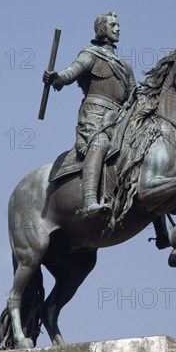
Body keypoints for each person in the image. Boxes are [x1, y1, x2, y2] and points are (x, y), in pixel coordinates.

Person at [43, 12, 136, 219]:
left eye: (119, 25)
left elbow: (135, 98)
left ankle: (160, 229)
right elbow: (71, 71)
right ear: (102, 29)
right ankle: (89, 202)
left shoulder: (126, 67)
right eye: (113, 25)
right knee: (100, 143)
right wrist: (56, 77)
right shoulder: (91, 53)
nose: (118, 28)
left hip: (119, 119)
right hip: (95, 115)